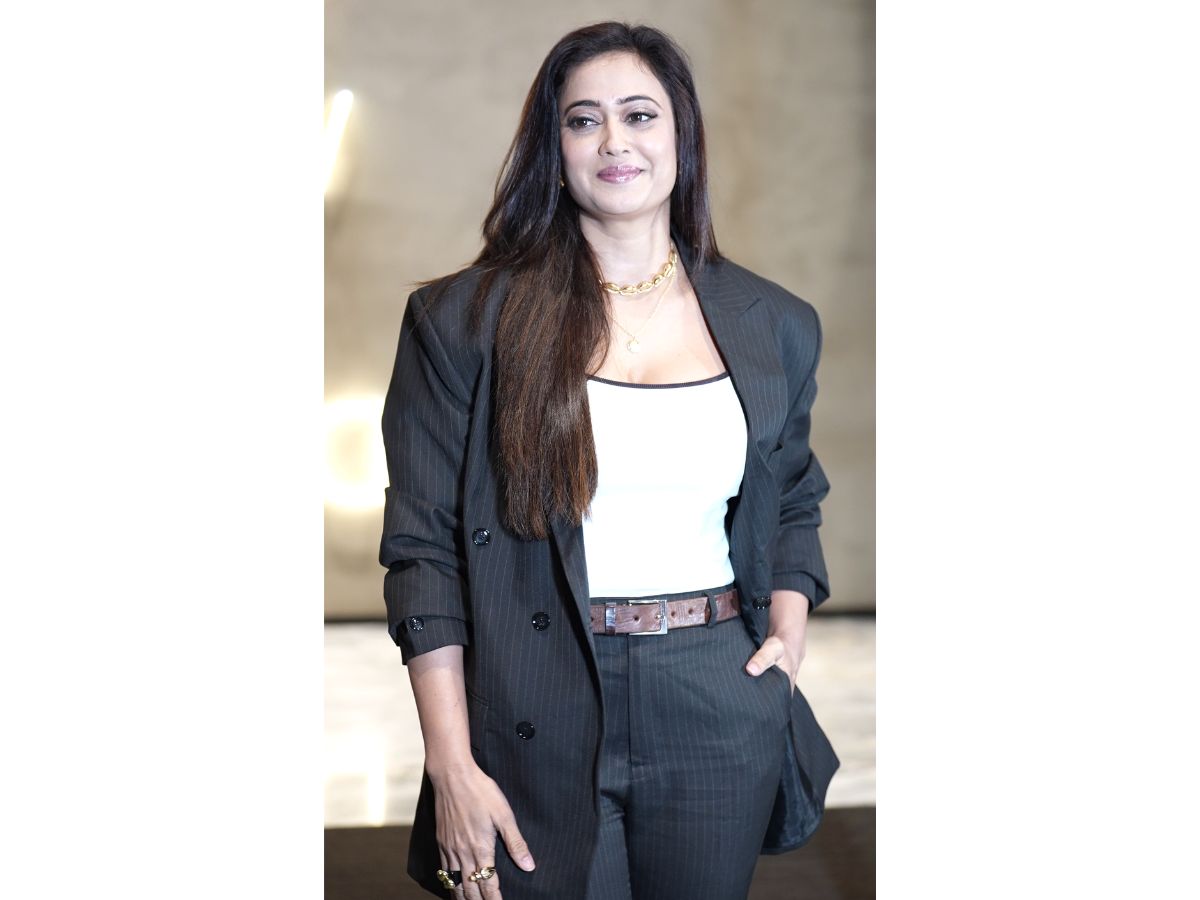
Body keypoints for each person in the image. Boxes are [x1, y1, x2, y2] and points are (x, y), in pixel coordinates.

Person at [380, 21, 838, 900]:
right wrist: (451, 766)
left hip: (715, 693)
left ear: (682, 135)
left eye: (640, 115)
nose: (615, 141)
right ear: (552, 151)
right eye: (583, 120)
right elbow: (423, 551)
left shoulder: (775, 322)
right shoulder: (463, 322)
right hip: (535, 695)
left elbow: (792, 497)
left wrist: (787, 632)